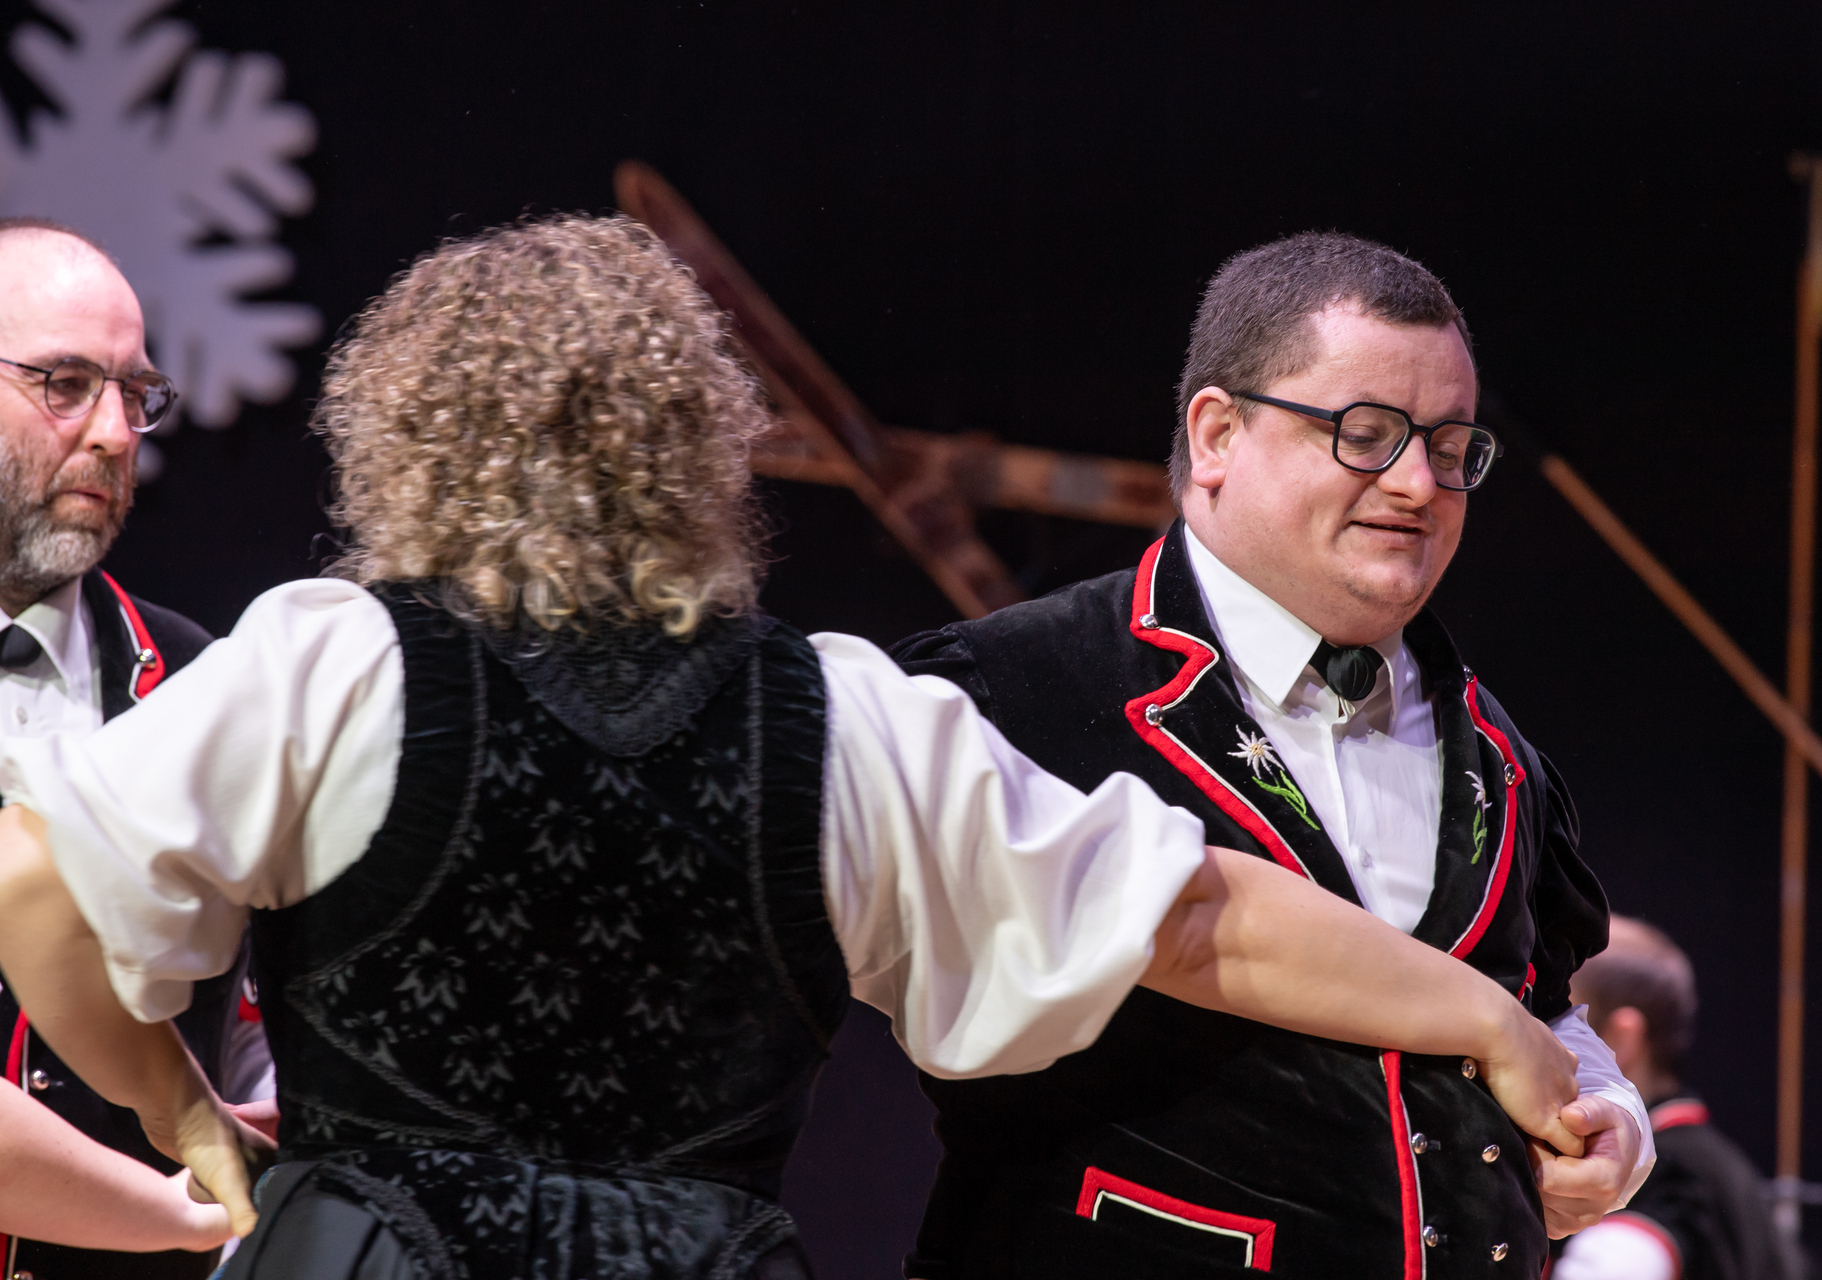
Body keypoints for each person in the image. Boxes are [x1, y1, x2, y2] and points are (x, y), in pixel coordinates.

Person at [0, 215, 1587, 1278]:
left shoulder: (331, 659)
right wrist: (1485, 1020)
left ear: (410, 430)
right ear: (700, 440)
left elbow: (36, 889)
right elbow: (1195, 916)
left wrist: (187, 1122)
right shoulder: (844, 713)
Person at [890, 231, 1654, 1278]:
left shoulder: (1503, 756)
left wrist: (1611, 1113)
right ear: (1216, 433)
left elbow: (1546, 1003)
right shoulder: (1011, 690)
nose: (1417, 484)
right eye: (1366, 434)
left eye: (1448, 448)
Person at [0, 218, 268, 1276]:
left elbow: (253, 1024)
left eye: (136, 394)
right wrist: (178, 1214)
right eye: (65, 384)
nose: (115, 433)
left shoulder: (205, 682)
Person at [1553, 916, 1822, 1280]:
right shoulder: (1713, 1162)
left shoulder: (1661, 1176)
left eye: (1562, 1022)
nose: (1534, 1042)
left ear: (1620, 1039)